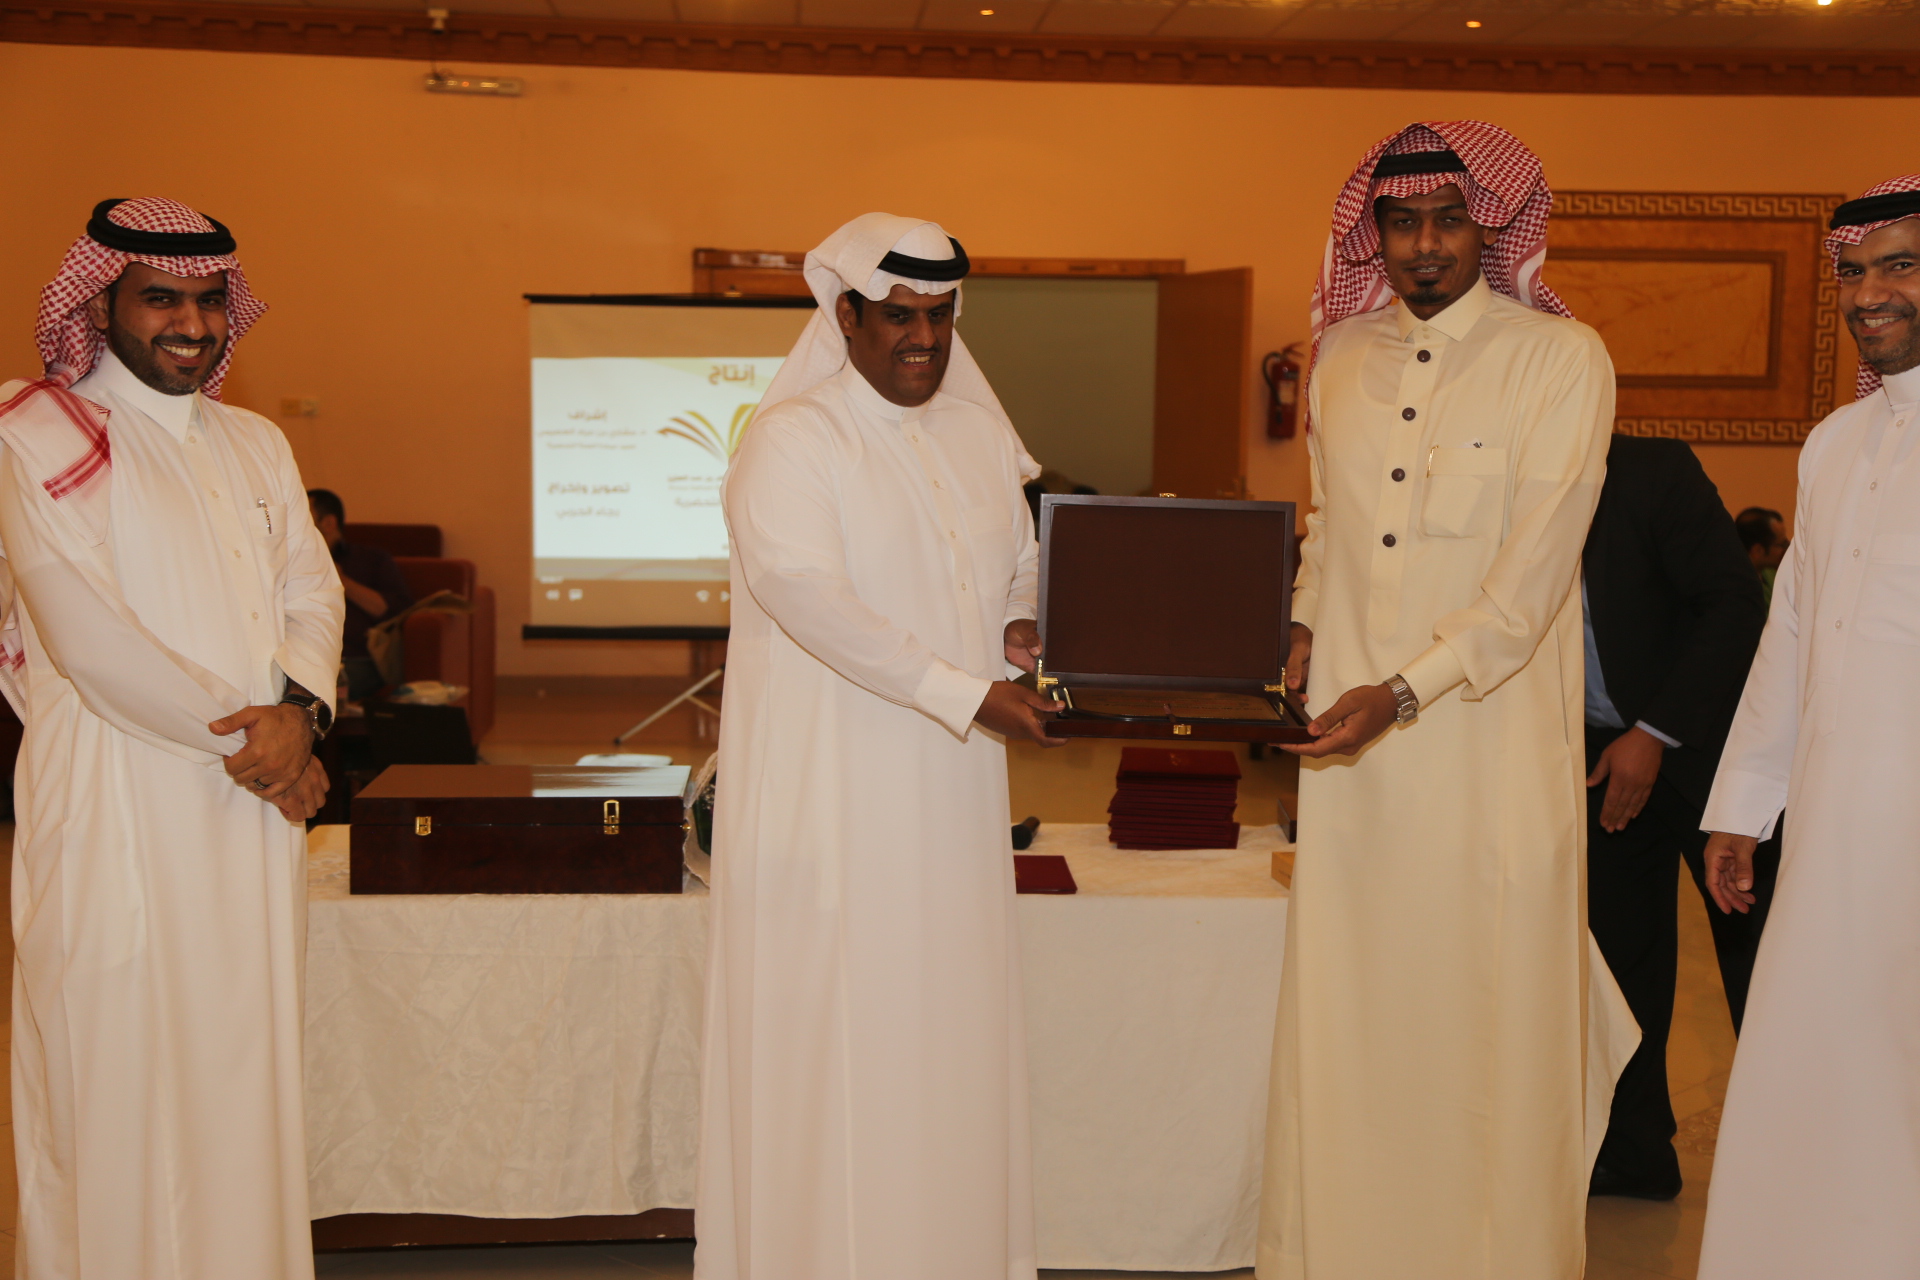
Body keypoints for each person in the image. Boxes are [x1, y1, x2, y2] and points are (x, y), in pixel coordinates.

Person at [1262, 121, 1637, 1280]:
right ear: (1371, 235)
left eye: (1448, 220)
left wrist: (1401, 691)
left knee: (1486, 1019)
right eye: (1401, 223)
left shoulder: (1560, 360)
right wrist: (1301, 626)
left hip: (1488, 755)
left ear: (1494, 226)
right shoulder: (1338, 358)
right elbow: (1330, 528)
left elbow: (1530, 584)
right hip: (1353, 772)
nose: (1424, 246)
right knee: (1356, 1013)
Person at [696, 213, 1060, 1280]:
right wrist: (968, 692)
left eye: (940, 316)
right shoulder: (793, 439)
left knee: (945, 1037)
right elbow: (807, 596)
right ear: (845, 314)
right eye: (899, 315)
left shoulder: (980, 435)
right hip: (829, 800)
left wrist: (1020, 624)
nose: (924, 339)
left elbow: (1022, 562)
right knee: (836, 1046)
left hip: (952, 799)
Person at [0, 199, 342, 1277]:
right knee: (113, 1072)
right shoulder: (32, 432)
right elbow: (89, 638)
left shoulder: (255, 440)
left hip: (249, 811)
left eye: (207, 301)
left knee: (243, 1063)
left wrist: (303, 714)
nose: (190, 325)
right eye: (159, 299)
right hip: (115, 793)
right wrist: (265, 746)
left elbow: (311, 592)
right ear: (100, 303)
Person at [1696, 173, 1920, 1279]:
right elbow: (1792, 633)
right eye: (1853, 272)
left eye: (1901, 266)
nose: (1870, 294)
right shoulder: (1833, 443)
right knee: (1815, 1060)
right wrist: (1743, 804)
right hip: (1832, 825)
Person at [1580, 434, 1768, 1200]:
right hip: (1596, 756)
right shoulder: (1505, 484)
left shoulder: (1651, 471)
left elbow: (1734, 605)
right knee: (1619, 960)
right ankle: (1634, 1155)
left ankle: (1802, 1162)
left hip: (1711, 750)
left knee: (1756, 955)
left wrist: (1655, 732)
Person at [307, 486, 414, 698]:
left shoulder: (371, 559)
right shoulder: (286, 562)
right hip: (302, 657)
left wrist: (341, 582)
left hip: (355, 662)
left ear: (328, 523)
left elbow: (397, 612)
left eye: (303, 516)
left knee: (311, 688)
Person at [1733, 505, 1789, 606]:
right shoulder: (1737, 588)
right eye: (1781, 544)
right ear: (1757, 550)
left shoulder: (1770, 573)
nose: (1786, 549)